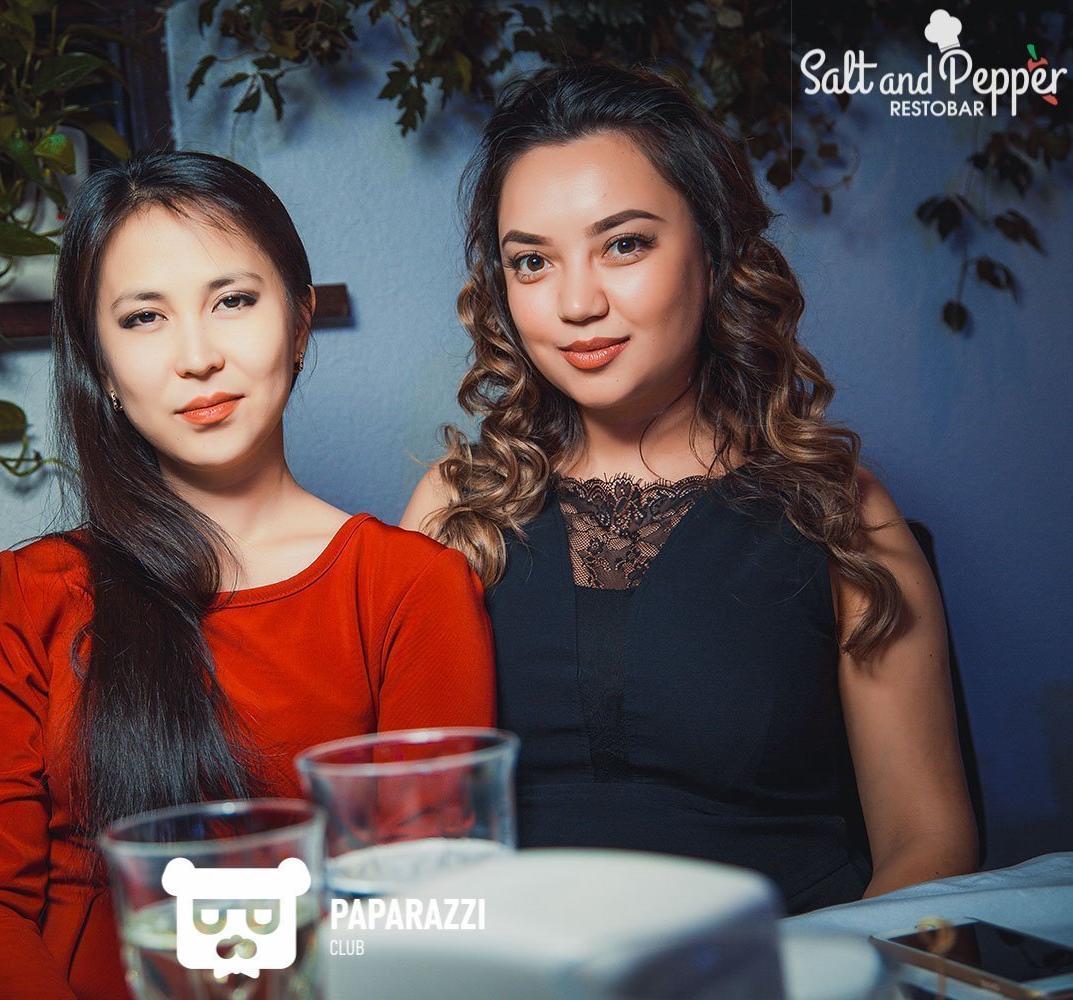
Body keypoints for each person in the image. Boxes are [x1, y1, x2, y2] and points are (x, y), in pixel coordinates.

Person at [402, 61, 977, 913]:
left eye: (624, 244)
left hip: (784, 962)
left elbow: (928, 842)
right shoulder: (457, 508)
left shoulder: (839, 512)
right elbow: (399, 825)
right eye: (532, 261)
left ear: (714, 252)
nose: (576, 302)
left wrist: (814, 969)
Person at [0, 151, 496, 999]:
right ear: (101, 366)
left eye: (233, 301)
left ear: (299, 321)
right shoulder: (42, 590)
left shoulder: (411, 586)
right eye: (143, 318)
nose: (197, 357)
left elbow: (426, 909)